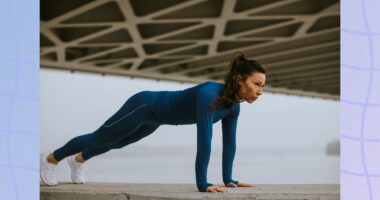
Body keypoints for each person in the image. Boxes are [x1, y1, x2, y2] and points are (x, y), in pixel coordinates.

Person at [40, 51, 266, 193]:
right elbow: (205, 142)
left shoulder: (233, 107)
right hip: (145, 105)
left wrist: (228, 179)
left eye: (262, 86)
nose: (260, 91)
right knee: (102, 137)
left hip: (157, 119)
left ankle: (79, 159)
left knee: (118, 142)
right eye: (257, 84)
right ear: (239, 80)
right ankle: (51, 159)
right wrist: (203, 184)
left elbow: (229, 144)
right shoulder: (210, 95)